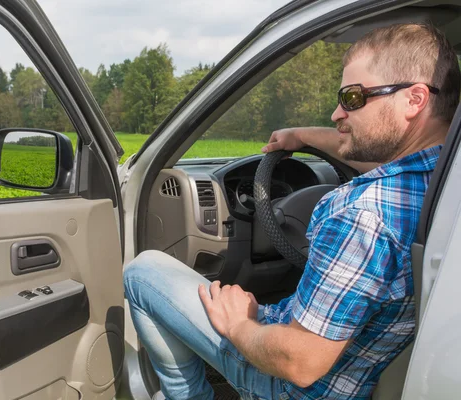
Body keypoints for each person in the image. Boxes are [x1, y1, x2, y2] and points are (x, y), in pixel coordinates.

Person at [123, 23, 461, 400]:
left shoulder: (363, 215)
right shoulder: (444, 176)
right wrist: (299, 136)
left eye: (351, 98)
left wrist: (239, 326)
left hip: (286, 385)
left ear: (414, 100)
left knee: (143, 272)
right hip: (355, 379)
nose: (336, 113)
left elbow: (300, 364)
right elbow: (377, 151)